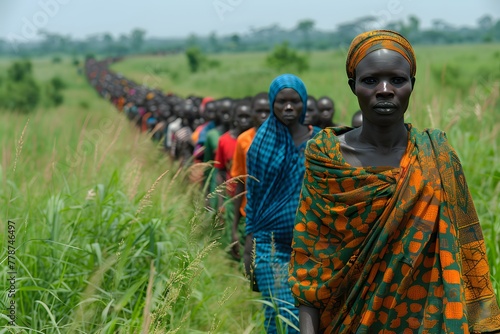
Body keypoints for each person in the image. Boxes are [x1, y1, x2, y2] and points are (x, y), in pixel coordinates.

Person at [289, 29, 500, 333]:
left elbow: (468, 253)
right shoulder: (327, 160)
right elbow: (309, 257)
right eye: (371, 80)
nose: (385, 90)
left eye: (397, 80)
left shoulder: (435, 157)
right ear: (353, 86)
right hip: (345, 321)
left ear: (412, 85)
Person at [246, 74, 321, 333]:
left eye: (295, 101)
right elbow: (252, 199)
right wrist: (250, 249)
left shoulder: (320, 142)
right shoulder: (260, 144)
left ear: (303, 103)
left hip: (314, 246)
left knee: (312, 317)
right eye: (281, 102)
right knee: (280, 315)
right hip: (271, 245)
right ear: (271, 103)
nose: (288, 108)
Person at [230, 92, 270, 263]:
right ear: (252, 112)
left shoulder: (285, 138)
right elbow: (239, 181)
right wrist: (233, 227)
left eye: (267, 111)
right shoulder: (243, 140)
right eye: (258, 111)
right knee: (250, 265)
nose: (263, 115)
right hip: (250, 213)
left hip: (276, 214)